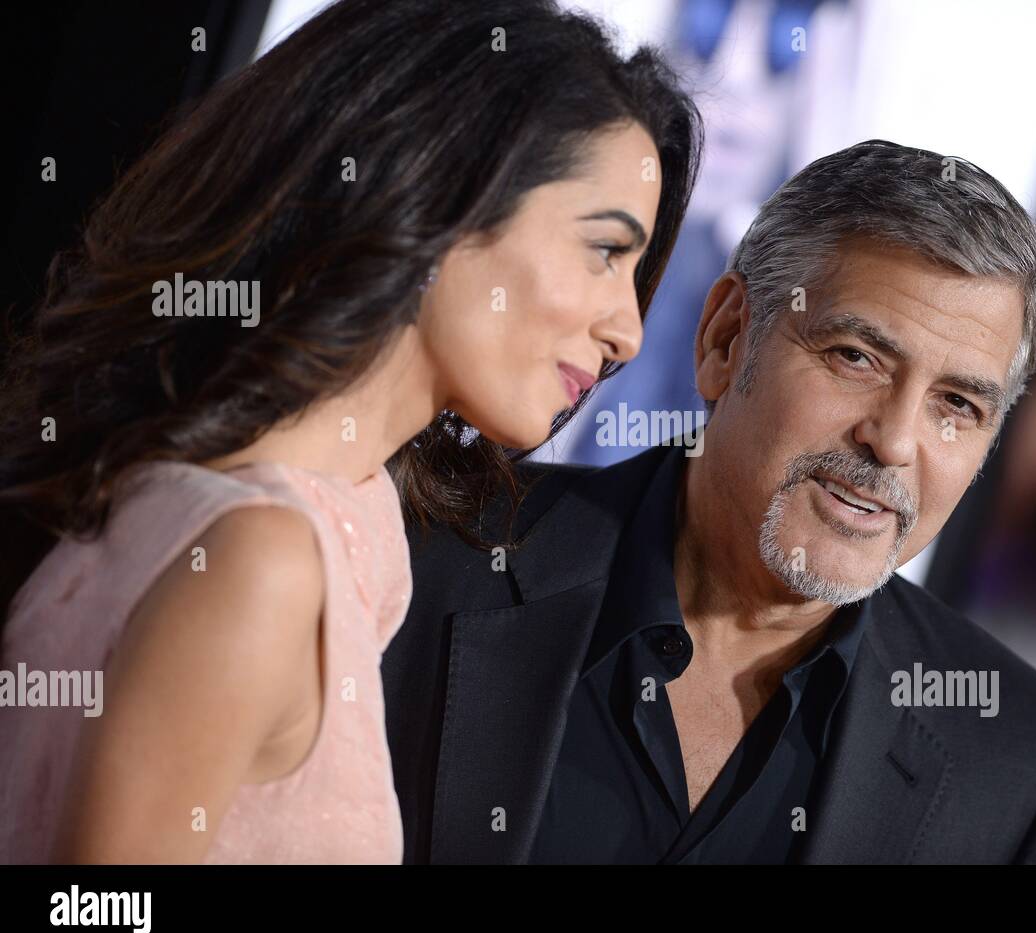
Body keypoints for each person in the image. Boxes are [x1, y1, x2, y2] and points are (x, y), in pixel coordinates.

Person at [0, 0, 703, 863]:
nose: (627, 330)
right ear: (440, 193)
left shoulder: (356, 517)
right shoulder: (257, 556)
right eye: (604, 250)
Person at [382, 139, 1036, 864]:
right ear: (726, 337)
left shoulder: (1018, 757)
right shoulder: (421, 558)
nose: (895, 441)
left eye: (958, 404)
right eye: (856, 357)